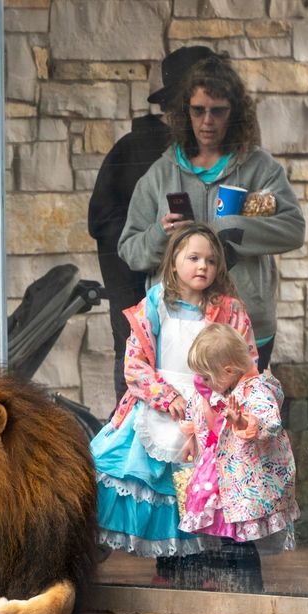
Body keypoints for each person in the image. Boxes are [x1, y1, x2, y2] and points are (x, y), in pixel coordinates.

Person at [118, 53, 305, 372]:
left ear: (234, 113)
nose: (207, 121)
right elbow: (129, 251)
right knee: (183, 420)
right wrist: (161, 234)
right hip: (176, 327)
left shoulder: (259, 168)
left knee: (242, 420)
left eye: (217, 111)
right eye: (198, 110)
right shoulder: (161, 174)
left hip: (244, 327)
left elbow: (293, 228)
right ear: (184, 112)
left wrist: (225, 230)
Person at [92, 224, 257, 575]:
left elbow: (247, 364)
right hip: (162, 409)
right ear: (173, 263)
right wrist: (165, 397)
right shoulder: (154, 303)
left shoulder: (230, 309)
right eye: (193, 258)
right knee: (164, 490)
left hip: (211, 415)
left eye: (211, 260)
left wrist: (231, 402)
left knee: (204, 489)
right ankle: (169, 567)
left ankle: (208, 569)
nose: (203, 266)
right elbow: (135, 364)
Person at [89, 45, 215, 402]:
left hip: (188, 317)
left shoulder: (202, 152)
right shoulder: (137, 153)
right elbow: (106, 227)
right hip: (145, 318)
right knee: (143, 426)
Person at [177, 324, 298, 589]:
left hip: (246, 479)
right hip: (229, 477)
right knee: (227, 536)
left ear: (229, 371)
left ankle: (249, 587)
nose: (204, 383)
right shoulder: (228, 388)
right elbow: (205, 413)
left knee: (240, 541)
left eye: (208, 378)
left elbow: (269, 423)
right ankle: (230, 584)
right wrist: (191, 438)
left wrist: (242, 420)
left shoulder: (256, 390)